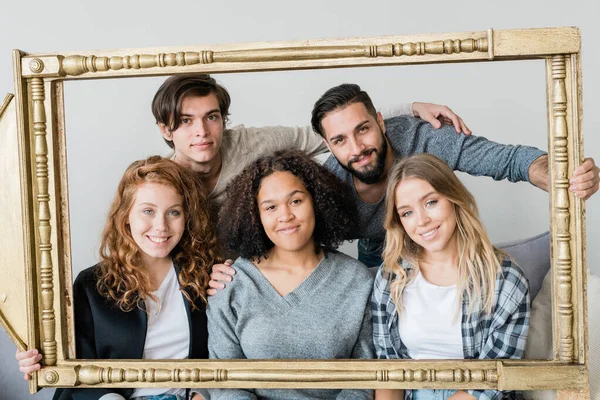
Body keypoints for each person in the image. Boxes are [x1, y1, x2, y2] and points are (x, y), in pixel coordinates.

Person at [151, 75, 473, 291]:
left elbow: (329, 130)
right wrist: (200, 275)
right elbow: (156, 247)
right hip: (209, 282)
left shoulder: (253, 144)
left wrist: (411, 108)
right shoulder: (163, 185)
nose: (202, 132)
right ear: (166, 130)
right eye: (185, 121)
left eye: (212, 117)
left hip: (268, 269)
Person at [309, 83, 599, 267]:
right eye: (340, 140)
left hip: (444, 247)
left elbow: (504, 158)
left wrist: (561, 174)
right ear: (328, 146)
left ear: (381, 122)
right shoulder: (326, 186)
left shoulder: (420, 138)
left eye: (363, 129)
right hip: (377, 253)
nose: (357, 148)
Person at [16, 156, 218, 400]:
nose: (161, 226)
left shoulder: (205, 277)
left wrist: (202, 394)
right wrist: (40, 359)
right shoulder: (92, 284)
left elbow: (222, 355)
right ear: (126, 217)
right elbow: (75, 367)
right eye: (148, 211)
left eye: (173, 212)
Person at [207, 150, 374, 400]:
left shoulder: (357, 281)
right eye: (270, 207)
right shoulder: (231, 283)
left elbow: (365, 379)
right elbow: (226, 383)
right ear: (255, 216)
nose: (285, 216)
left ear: (316, 202)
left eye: (296, 201)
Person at [372, 154, 530, 400]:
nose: (422, 221)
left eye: (431, 202)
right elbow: (387, 369)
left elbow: (496, 378)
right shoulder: (391, 276)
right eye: (407, 213)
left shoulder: (506, 279)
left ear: (453, 198)